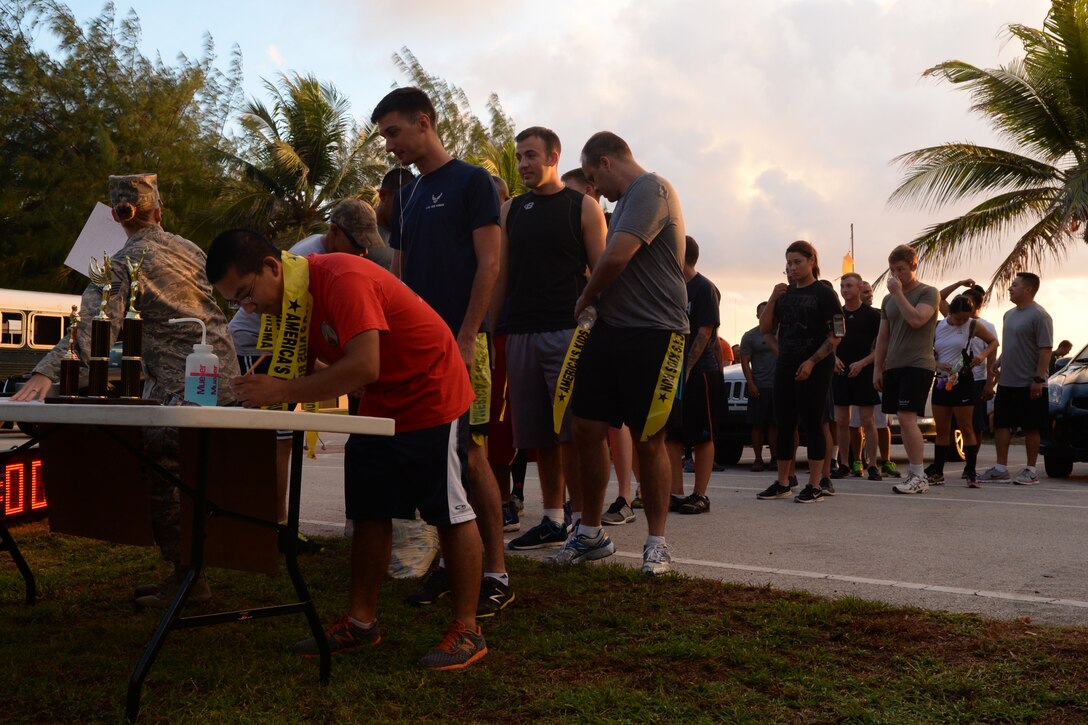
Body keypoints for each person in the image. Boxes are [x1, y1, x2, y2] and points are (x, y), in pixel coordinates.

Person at [206, 229, 487, 670]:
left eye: (246, 294)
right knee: (369, 509)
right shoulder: (289, 302)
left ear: (272, 268)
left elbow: (363, 365)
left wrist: (281, 390)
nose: (249, 309)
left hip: (432, 390)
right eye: (236, 302)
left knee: (448, 511)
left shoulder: (341, 279)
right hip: (380, 398)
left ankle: (468, 629)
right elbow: (329, 372)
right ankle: (361, 623)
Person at [13, 173, 240, 608]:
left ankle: (189, 578)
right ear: (158, 212)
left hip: (181, 390)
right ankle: (196, 571)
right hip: (221, 379)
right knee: (203, 476)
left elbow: (93, 329)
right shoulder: (189, 249)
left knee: (164, 471)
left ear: (119, 217)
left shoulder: (122, 264)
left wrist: (44, 376)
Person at [371, 87, 511, 614]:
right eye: (384, 136)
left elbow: (489, 265)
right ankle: (454, 566)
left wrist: (468, 332)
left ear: (423, 122)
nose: (389, 145)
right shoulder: (405, 196)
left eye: (394, 132)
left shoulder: (473, 181)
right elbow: (401, 279)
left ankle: (495, 573)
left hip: (463, 343)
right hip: (419, 350)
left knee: (472, 456)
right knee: (435, 460)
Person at [556, 131, 688, 574]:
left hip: (655, 331)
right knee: (586, 427)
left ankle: (657, 543)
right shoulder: (625, 201)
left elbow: (615, 258)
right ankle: (590, 534)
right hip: (611, 330)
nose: (595, 190)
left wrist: (585, 297)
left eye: (594, 177)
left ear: (607, 161)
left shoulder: (651, 188)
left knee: (649, 438)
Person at [229, 198, 389, 542]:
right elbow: (293, 337)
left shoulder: (333, 258)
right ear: (333, 232)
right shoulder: (307, 258)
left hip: (280, 342)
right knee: (277, 439)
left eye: (367, 247)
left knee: (284, 438)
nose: (362, 254)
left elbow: (308, 338)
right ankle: (274, 524)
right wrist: (341, 374)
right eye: (357, 245)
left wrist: (341, 372)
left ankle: (277, 523)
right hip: (257, 344)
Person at [493, 127, 607, 549]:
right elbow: (501, 276)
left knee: (573, 432)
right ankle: (553, 518)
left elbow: (601, 274)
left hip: (568, 331)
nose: (523, 164)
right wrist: (488, 329)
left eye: (531, 156)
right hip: (520, 332)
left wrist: (598, 330)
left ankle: (584, 522)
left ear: (553, 157)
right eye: (520, 156)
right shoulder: (511, 210)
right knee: (537, 435)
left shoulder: (584, 207)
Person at [756, 241, 843, 503]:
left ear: (811, 261)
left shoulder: (825, 293)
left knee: (813, 424)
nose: (792, 268)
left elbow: (838, 334)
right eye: (788, 263)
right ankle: (783, 481)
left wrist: (811, 362)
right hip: (786, 365)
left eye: (797, 262)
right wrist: (773, 297)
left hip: (816, 366)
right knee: (784, 424)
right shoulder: (784, 293)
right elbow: (765, 329)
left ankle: (815, 484)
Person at [873, 244, 939, 495]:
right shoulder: (887, 300)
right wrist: (877, 368)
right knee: (897, 417)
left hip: (918, 363)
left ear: (914, 265)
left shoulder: (928, 292)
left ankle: (919, 475)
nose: (896, 274)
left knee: (907, 417)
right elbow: (883, 336)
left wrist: (899, 293)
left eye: (901, 269)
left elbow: (916, 319)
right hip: (894, 364)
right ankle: (914, 472)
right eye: (892, 270)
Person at [665, 236, 722, 515]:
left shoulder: (704, 288)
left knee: (702, 435)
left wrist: (686, 369)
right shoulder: (668, 286)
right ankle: (675, 493)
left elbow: (705, 332)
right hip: (669, 371)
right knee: (671, 435)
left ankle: (700, 495)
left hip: (699, 372)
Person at [980, 272, 1054, 484]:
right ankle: (1000, 468)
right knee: (1001, 424)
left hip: (1030, 384)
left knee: (1031, 427)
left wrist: (1038, 379)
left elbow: (1045, 350)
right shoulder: (1008, 314)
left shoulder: (1040, 316)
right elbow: (1012, 343)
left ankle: (1030, 470)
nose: (1010, 288)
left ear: (1028, 290)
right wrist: (999, 361)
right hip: (1007, 382)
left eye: (1015, 285)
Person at [929, 295, 998, 487]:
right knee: (942, 429)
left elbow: (993, 342)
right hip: (943, 381)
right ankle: (938, 471)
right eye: (958, 318)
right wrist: (937, 364)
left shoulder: (972, 325)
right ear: (949, 312)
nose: (961, 322)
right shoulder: (938, 326)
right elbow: (926, 350)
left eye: (964, 318)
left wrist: (981, 355)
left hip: (963, 380)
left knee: (966, 428)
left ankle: (971, 472)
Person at [832, 272, 883, 481]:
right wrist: (833, 358)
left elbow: (881, 347)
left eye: (849, 286)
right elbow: (831, 341)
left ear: (860, 287)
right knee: (841, 420)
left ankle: (872, 465)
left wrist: (863, 363)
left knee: (868, 420)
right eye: (842, 286)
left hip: (864, 371)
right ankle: (844, 463)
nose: (845, 290)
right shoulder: (837, 315)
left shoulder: (873, 315)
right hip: (840, 371)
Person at [938, 279, 998, 443]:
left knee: (973, 425)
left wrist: (989, 384)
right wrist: (959, 283)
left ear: (976, 306)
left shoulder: (983, 325)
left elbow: (993, 351)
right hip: (950, 378)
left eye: (968, 302)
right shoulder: (953, 319)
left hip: (976, 379)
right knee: (950, 424)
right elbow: (939, 298)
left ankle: (972, 462)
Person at [740, 302, 777, 472]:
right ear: (757, 316)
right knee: (757, 425)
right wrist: (751, 383)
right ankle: (758, 458)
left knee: (775, 425)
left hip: (778, 386)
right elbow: (745, 361)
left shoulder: (781, 332)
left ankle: (776, 459)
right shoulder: (750, 336)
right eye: (763, 313)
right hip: (760, 386)